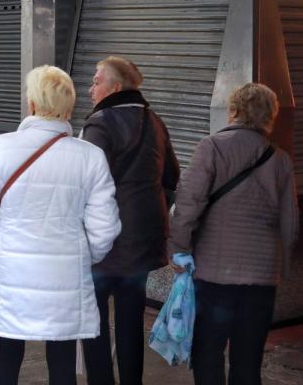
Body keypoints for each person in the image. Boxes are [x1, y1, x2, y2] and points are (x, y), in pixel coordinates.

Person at [0, 65, 121, 385]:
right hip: (65, 276)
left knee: (6, 356)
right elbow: (105, 227)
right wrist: (81, 256)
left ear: (32, 104)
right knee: (62, 361)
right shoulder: (89, 157)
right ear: (68, 107)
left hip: (10, 271)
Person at [168, 83, 299, 385]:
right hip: (261, 278)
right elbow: (290, 223)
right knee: (248, 360)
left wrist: (178, 248)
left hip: (215, 275)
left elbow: (188, 203)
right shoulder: (280, 159)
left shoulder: (211, 147)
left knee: (208, 353)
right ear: (270, 116)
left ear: (234, 111)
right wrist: (282, 269)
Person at [80, 56, 180, 385]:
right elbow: (172, 176)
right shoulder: (154, 121)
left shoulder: (99, 124)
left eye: (96, 81)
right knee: (130, 320)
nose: (91, 88)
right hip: (142, 243)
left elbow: (86, 182)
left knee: (92, 320)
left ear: (115, 87)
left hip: (105, 243)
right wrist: (150, 213)